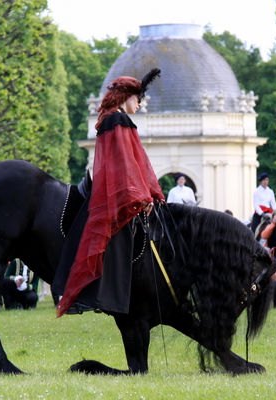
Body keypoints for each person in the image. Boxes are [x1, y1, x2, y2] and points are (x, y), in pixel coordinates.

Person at [57, 69, 165, 317]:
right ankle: (98, 298)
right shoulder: (117, 120)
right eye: (138, 99)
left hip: (113, 186)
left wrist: (151, 191)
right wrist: (143, 195)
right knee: (116, 237)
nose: (139, 105)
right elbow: (127, 163)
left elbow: (136, 161)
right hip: (114, 191)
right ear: (126, 96)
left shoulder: (114, 119)